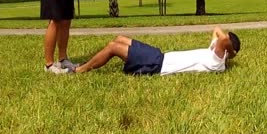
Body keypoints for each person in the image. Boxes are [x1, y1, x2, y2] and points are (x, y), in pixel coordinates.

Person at [74, 26, 240, 75]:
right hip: (160, 55)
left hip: (158, 64)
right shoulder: (213, 51)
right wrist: (226, 48)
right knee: (120, 38)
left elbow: (223, 38)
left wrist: (230, 54)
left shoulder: (217, 61)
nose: (218, 39)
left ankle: (80, 70)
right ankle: (88, 63)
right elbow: (216, 29)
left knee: (113, 47)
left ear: (226, 50)